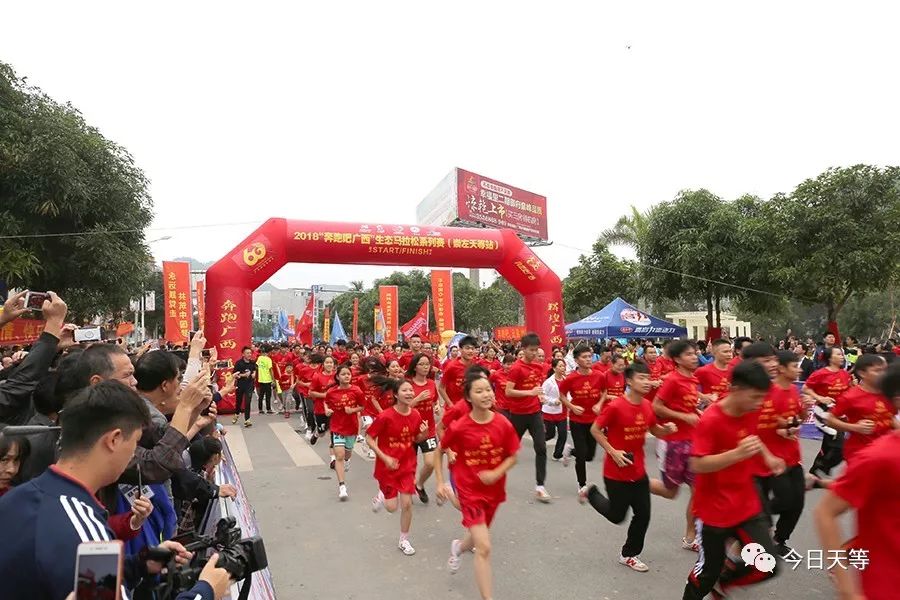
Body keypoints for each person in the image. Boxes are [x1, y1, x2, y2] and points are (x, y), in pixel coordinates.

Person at [0, 381, 231, 600]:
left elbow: (83, 578)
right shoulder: (85, 532)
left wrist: (140, 564)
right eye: (136, 443)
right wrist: (206, 590)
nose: (134, 454)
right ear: (114, 440)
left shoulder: (19, 498)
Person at [682, 361, 785, 600]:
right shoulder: (712, 419)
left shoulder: (751, 410)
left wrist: (769, 458)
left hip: (746, 504)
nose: (760, 403)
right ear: (736, 389)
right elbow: (697, 464)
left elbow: (752, 438)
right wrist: (736, 454)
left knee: (767, 564)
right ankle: (713, 579)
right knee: (706, 573)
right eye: (756, 397)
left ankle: (724, 582)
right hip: (713, 512)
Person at [814, 362, 900, 600]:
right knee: (874, 514)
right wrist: (848, 590)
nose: (880, 373)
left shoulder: (885, 400)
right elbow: (829, 419)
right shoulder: (852, 396)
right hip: (861, 457)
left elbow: (890, 419)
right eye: (876, 368)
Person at [585, 362, 678, 572]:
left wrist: (667, 430)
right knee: (618, 516)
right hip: (615, 473)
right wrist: (613, 451)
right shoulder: (616, 406)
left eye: (648, 378)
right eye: (641, 378)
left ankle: (629, 554)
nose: (646, 382)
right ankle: (591, 493)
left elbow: (654, 429)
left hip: (638, 471)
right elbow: (596, 429)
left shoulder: (646, 405)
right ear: (629, 381)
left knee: (643, 515)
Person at [435, 373, 520, 600]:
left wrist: (496, 472)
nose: (486, 395)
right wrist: (441, 482)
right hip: (469, 490)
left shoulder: (502, 423)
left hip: (493, 491)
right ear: (469, 398)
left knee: (474, 538)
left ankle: (458, 548)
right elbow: (439, 450)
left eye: (488, 390)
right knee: (484, 547)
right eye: (479, 391)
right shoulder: (460, 426)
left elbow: (513, 456)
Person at [367, 379, 428, 556]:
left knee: (407, 504)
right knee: (391, 507)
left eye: (411, 390)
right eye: (405, 390)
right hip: (387, 467)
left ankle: (404, 539)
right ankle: (381, 494)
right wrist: (384, 456)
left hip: (407, 464)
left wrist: (423, 434)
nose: (410, 393)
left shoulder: (415, 414)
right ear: (395, 394)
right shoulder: (385, 416)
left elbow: (416, 440)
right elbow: (370, 438)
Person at [755, 350, 807, 557]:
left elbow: (796, 419)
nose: (799, 369)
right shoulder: (767, 392)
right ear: (782, 369)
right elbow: (758, 423)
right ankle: (753, 517)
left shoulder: (794, 390)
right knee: (785, 500)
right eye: (795, 366)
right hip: (773, 458)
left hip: (793, 455)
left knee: (798, 503)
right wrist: (780, 428)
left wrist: (798, 420)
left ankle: (779, 540)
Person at [650, 339, 701, 551]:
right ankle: (635, 482)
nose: (695, 357)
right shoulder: (672, 379)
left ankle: (690, 537)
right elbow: (657, 407)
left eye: (695, 353)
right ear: (678, 359)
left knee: (698, 490)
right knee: (671, 492)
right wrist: (683, 417)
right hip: (672, 442)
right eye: (689, 354)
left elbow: (688, 407)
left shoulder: (693, 380)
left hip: (694, 442)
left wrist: (697, 414)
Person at [504, 333, 552, 503]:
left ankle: (540, 486)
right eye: (531, 350)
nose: (534, 353)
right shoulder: (517, 368)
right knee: (509, 451)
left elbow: (536, 387)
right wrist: (529, 393)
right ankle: (493, 475)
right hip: (518, 415)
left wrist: (539, 396)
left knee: (541, 447)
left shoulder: (539, 367)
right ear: (523, 349)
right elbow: (508, 391)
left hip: (534, 413)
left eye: (536, 350)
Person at [825, 353, 895, 465]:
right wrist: (854, 427)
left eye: (884, 370)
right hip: (860, 454)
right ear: (862, 373)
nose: (883, 374)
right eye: (877, 371)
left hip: (887, 452)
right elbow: (829, 419)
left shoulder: (890, 394)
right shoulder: (850, 396)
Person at [559, 344, 605, 496]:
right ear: (577, 360)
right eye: (584, 357)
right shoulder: (571, 378)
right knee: (582, 453)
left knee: (589, 455)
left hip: (593, 421)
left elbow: (605, 391)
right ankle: (582, 484)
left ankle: (570, 451)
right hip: (577, 420)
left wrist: (599, 404)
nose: (588, 359)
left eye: (589, 356)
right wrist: (571, 406)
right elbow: (562, 395)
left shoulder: (599, 375)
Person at [803, 346, 852, 479]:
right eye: (838, 354)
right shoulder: (820, 373)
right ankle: (821, 468)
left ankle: (814, 473)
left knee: (829, 444)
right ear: (830, 358)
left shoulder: (845, 374)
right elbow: (805, 388)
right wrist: (820, 398)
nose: (842, 357)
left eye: (842, 354)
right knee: (838, 443)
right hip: (823, 412)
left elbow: (848, 393)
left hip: (839, 413)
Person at [325, 365, 365, 500]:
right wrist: (327, 410)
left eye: (348, 374)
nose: (347, 376)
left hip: (351, 427)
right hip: (337, 427)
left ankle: (348, 459)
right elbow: (327, 403)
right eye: (343, 374)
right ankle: (342, 486)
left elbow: (363, 406)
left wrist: (353, 410)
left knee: (347, 453)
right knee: (339, 455)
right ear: (337, 376)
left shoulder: (357, 390)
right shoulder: (331, 392)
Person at [407, 353, 439, 503]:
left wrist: (437, 406)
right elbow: (401, 407)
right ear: (414, 366)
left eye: (427, 364)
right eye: (422, 364)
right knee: (409, 464)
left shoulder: (432, 383)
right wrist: (417, 399)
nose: (426, 367)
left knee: (431, 463)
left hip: (429, 429)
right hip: (409, 430)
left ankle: (419, 485)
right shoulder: (407, 384)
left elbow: (435, 401)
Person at [541, 358, 568, 464]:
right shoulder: (548, 382)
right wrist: (553, 401)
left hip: (562, 412)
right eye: (560, 366)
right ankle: (539, 442)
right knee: (550, 434)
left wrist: (569, 401)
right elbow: (542, 396)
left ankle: (557, 455)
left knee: (563, 435)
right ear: (554, 368)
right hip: (550, 412)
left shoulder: (566, 380)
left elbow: (569, 394)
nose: (563, 368)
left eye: (564, 366)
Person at [439, 336, 479, 406]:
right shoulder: (452, 366)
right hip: (455, 407)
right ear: (460, 350)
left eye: (472, 348)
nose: (470, 351)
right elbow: (441, 388)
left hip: (472, 407)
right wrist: (450, 404)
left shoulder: (476, 365)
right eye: (467, 348)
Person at [308, 355, 337, 446]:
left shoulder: (337, 376)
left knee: (333, 430)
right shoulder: (317, 377)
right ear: (323, 365)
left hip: (334, 408)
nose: (329, 364)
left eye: (331, 363)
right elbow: (310, 392)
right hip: (320, 408)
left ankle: (334, 455)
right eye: (327, 362)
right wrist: (324, 395)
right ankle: (316, 434)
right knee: (322, 432)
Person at [693, 338, 734, 403]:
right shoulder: (703, 371)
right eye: (725, 352)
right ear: (714, 352)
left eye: (730, 351)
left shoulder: (735, 370)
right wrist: (703, 396)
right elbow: (688, 388)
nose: (729, 354)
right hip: (711, 409)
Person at [232, 346, 258, 427]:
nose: (249, 354)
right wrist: (244, 375)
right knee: (239, 402)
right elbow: (235, 375)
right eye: (247, 353)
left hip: (249, 385)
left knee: (248, 402)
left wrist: (254, 374)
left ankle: (247, 419)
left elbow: (254, 370)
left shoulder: (252, 363)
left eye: (250, 353)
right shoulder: (239, 363)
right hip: (240, 385)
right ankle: (236, 413)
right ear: (243, 354)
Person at [256, 344, 275, 415]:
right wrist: (273, 380)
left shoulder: (259, 358)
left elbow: (257, 367)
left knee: (261, 395)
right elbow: (271, 370)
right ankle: (269, 409)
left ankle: (260, 409)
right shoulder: (268, 359)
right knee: (268, 395)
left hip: (261, 379)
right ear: (269, 352)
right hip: (267, 379)